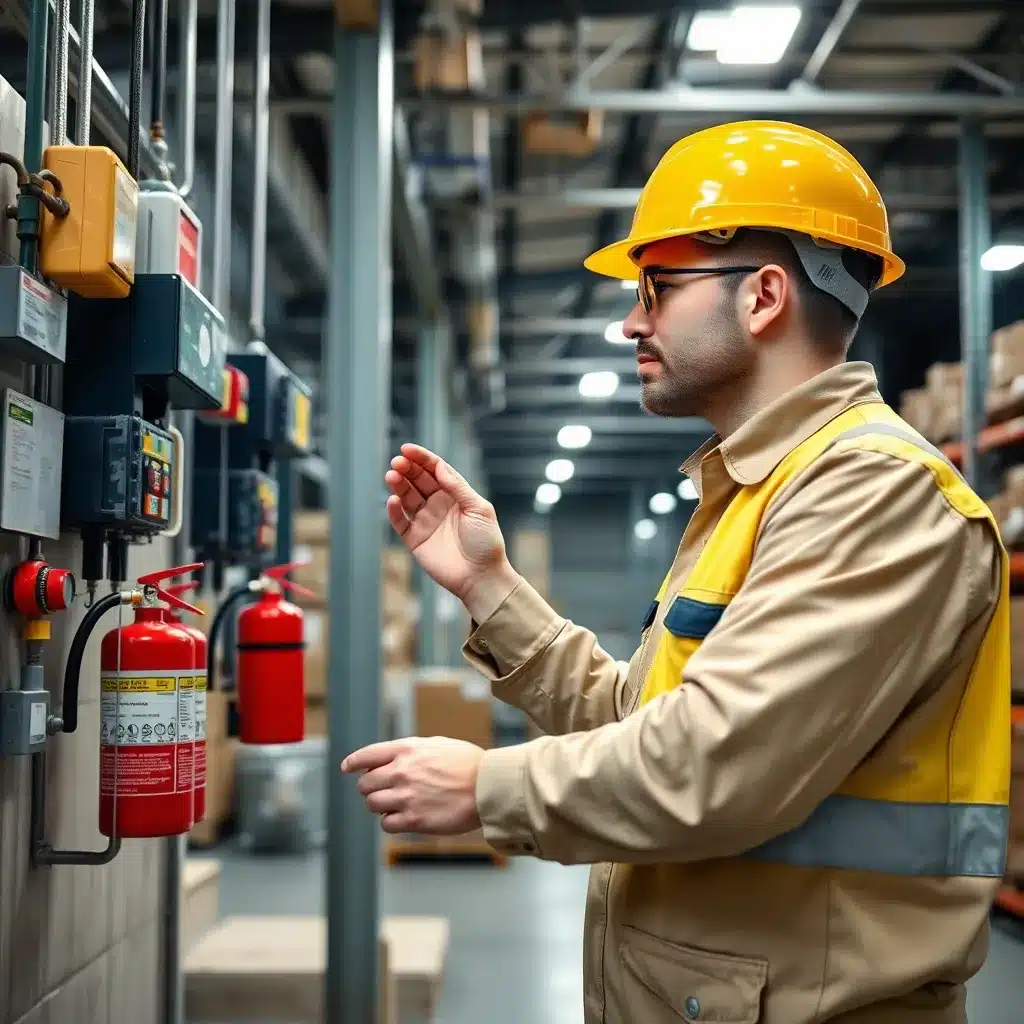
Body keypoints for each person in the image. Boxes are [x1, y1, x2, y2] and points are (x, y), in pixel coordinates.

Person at [342, 121, 1011, 1023]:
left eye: (657, 288)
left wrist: (486, 787)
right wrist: (490, 590)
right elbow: (644, 725)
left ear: (763, 296)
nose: (632, 321)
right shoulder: (756, 490)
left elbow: (714, 763)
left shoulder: (874, 492)